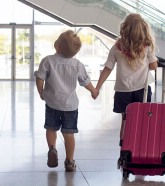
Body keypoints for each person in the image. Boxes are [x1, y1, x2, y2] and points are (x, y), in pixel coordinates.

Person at [34, 30, 98, 172]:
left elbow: (40, 77)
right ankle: (69, 161)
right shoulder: (77, 64)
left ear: (57, 47)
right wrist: (94, 91)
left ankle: (52, 148)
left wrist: (41, 91)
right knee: (69, 134)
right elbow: (85, 81)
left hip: (52, 103)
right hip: (70, 106)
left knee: (51, 128)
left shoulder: (48, 60)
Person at [95, 13, 158, 141]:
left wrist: (97, 87)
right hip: (142, 89)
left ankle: (124, 147)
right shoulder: (146, 47)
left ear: (125, 29)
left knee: (125, 119)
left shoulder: (116, 48)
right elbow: (154, 66)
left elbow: (108, 68)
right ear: (143, 29)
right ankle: (141, 145)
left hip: (123, 90)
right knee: (143, 118)